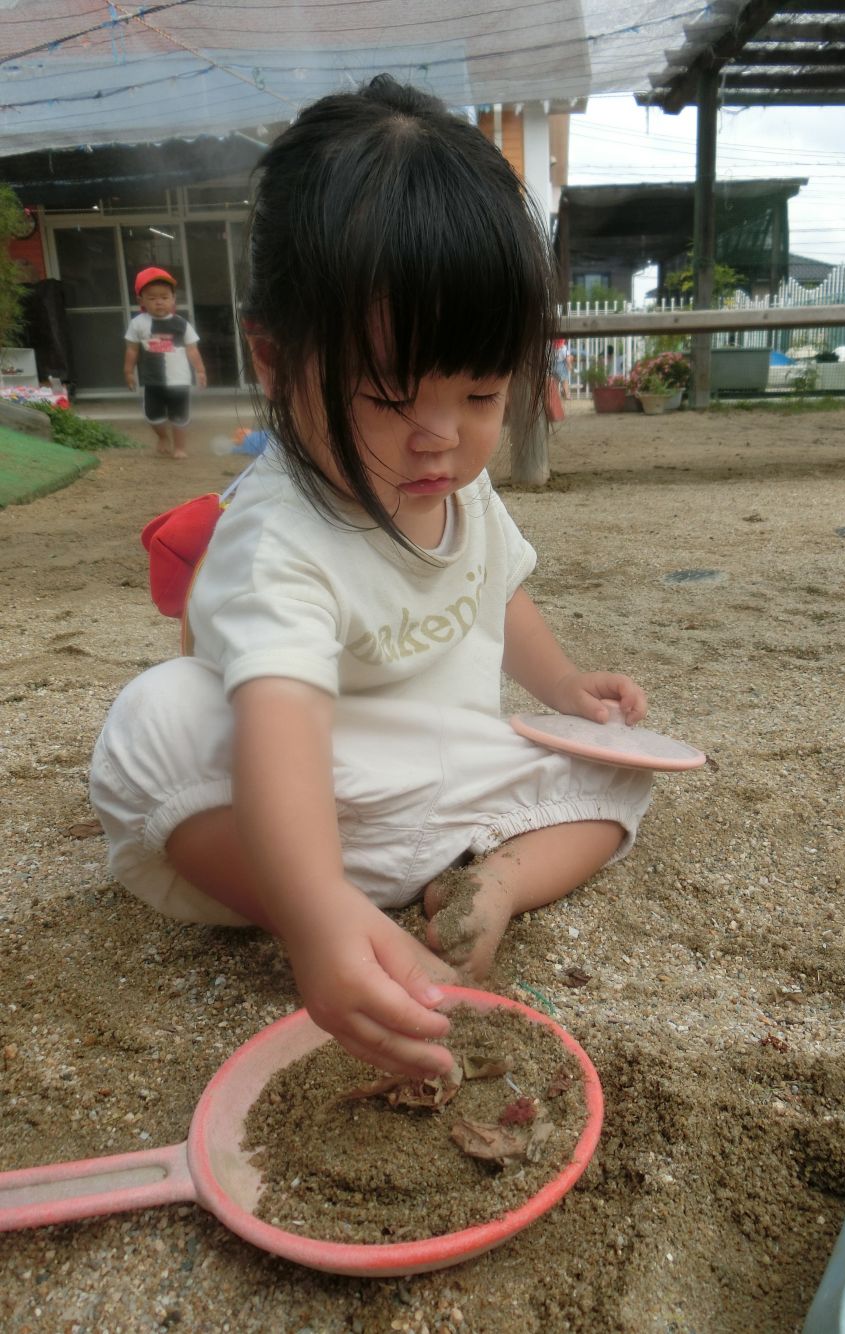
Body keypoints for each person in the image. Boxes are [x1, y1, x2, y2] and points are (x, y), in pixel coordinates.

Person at [90, 76, 653, 1080]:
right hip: (288, 801)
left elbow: (495, 590)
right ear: (274, 358)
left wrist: (565, 689)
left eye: (479, 393)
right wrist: (313, 917)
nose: (440, 437)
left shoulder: (452, 483)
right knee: (152, 728)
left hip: (423, 774)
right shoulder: (282, 534)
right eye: (391, 396)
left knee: (625, 760)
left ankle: (499, 883)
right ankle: (343, 913)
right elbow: (280, 726)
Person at [124, 267, 207, 459]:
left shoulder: (181, 324)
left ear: (173, 299)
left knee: (179, 416)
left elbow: (192, 349)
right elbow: (132, 349)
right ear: (141, 301)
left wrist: (200, 371)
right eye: (152, 298)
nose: (159, 302)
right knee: (153, 416)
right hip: (152, 380)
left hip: (179, 380)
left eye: (164, 297)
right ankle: (162, 437)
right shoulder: (138, 324)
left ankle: (180, 447)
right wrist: (128, 371)